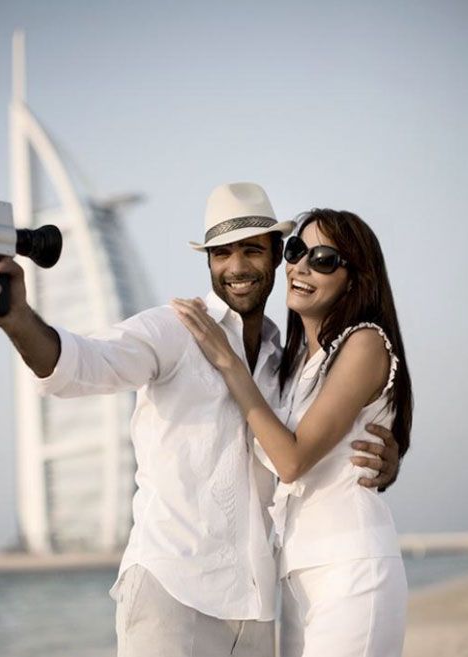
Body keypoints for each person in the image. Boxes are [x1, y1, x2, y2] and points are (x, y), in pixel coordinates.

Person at [0, 185, 400, 657]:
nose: (236, 267)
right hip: (172, 593)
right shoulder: (173, 329)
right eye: (221, 253)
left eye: (253, 250)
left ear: (275, 256)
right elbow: (80, 365)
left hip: (256, 609)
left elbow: (321, 437)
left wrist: (388, 455)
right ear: (209, 261)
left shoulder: (284, 362)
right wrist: (18, 318)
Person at [172, 208, 412, 657]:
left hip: (351, 569)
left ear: (356, 278)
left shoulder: (365, 342)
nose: (301, 267)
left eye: (323, 259)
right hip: (297, 576)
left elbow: (292, 460)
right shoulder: (294, 363)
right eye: (298, 251)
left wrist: (227, 361)